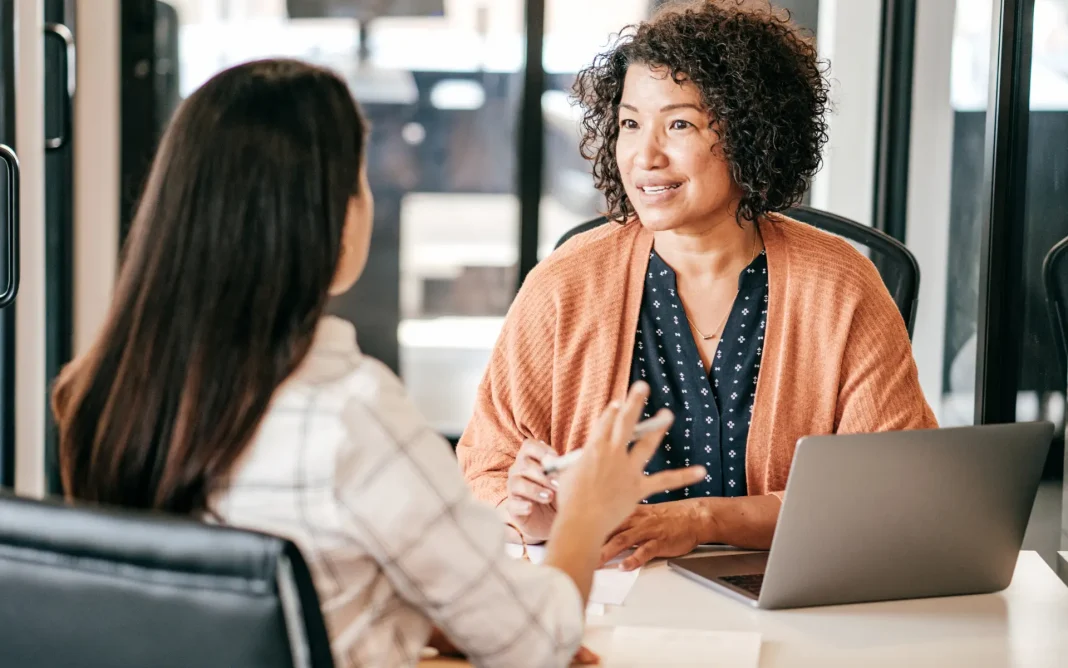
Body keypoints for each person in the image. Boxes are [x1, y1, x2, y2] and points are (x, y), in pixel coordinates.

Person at [51, 59, 704, 668]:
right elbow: (536, 643)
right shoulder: (351, 415)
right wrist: (586, 513)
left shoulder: (102, 393)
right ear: (330, 220)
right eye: (362, 178)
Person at [457, 0, 938, 571]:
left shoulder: (839, 285)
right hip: (606, 596)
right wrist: (528, 514)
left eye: (679, 123)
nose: (645, 155)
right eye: (630, 123)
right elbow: (486, 469)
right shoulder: (565, 283)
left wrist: (706, 519)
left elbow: (887, 489)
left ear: (752, 132)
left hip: (785, 601)